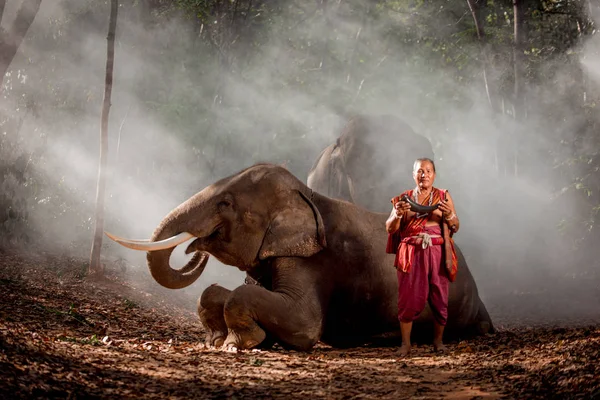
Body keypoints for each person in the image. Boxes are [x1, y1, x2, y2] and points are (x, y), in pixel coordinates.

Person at [385, 158, 459, 356]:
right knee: (408, 297)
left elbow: (456, 226)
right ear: (413, 175)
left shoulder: (443, 196)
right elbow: (390, 228)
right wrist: (398, 215)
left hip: (436, 252)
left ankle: (438, 342)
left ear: (434, 175)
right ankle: (406, 344)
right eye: (420, 171)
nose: (424, 174)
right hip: (411, 252)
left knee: (439, 296)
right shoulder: (404, 198)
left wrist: (449, 215)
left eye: (428, 171)